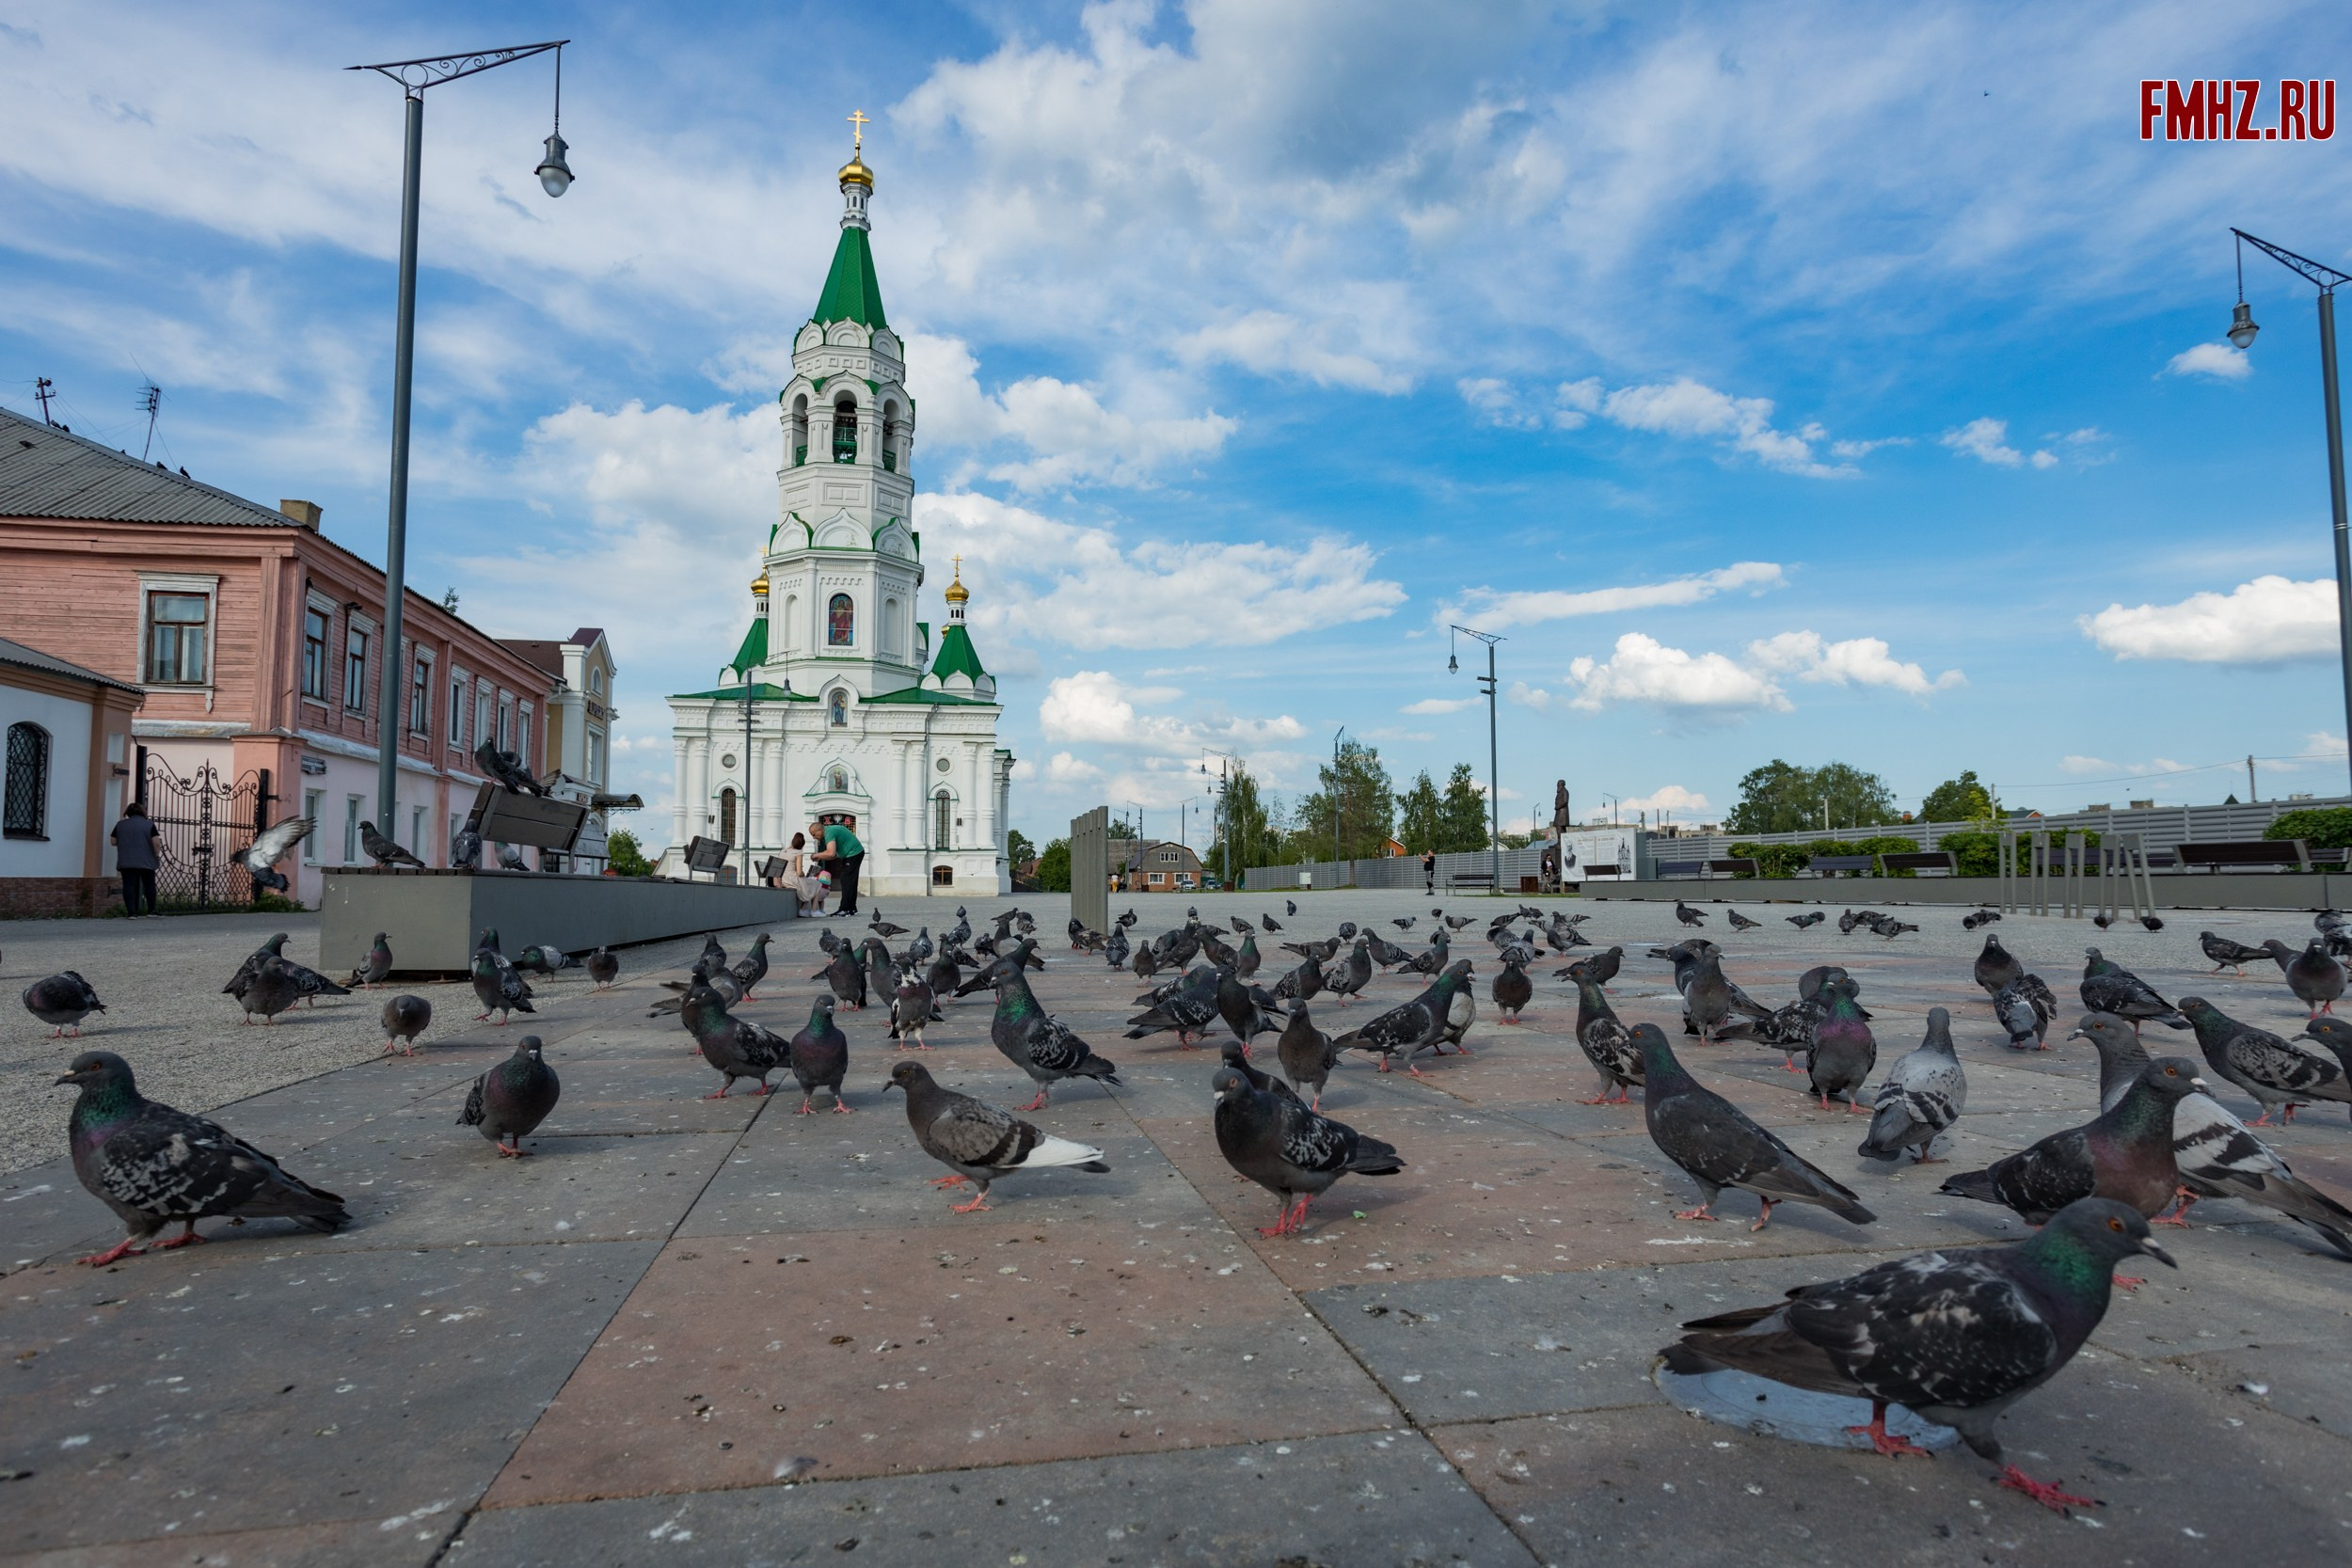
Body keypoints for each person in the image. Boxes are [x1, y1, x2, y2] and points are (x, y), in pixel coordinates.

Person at [113, 801, 161, 917]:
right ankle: (151, 911)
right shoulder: (149, 825)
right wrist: (156, 855)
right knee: (149, 884)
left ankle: (131, 913)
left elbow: (113, 841)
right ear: (142, 812)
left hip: (126, 860)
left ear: (128, 812)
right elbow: (156, 842)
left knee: (129, 885)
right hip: (146, 860)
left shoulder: (120, 825)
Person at [811, 814, 866, 916]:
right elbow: (833, 855)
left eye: (814, 834)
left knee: (846, 880)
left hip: (853, 853)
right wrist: (821, 856)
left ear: (819, 830)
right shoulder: (829, 831)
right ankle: (852, 908)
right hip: (855, 853)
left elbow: (831, 853)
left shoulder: (829, 832)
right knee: (851, 881)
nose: (814, 837)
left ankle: (844, 909)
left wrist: (817, 855)